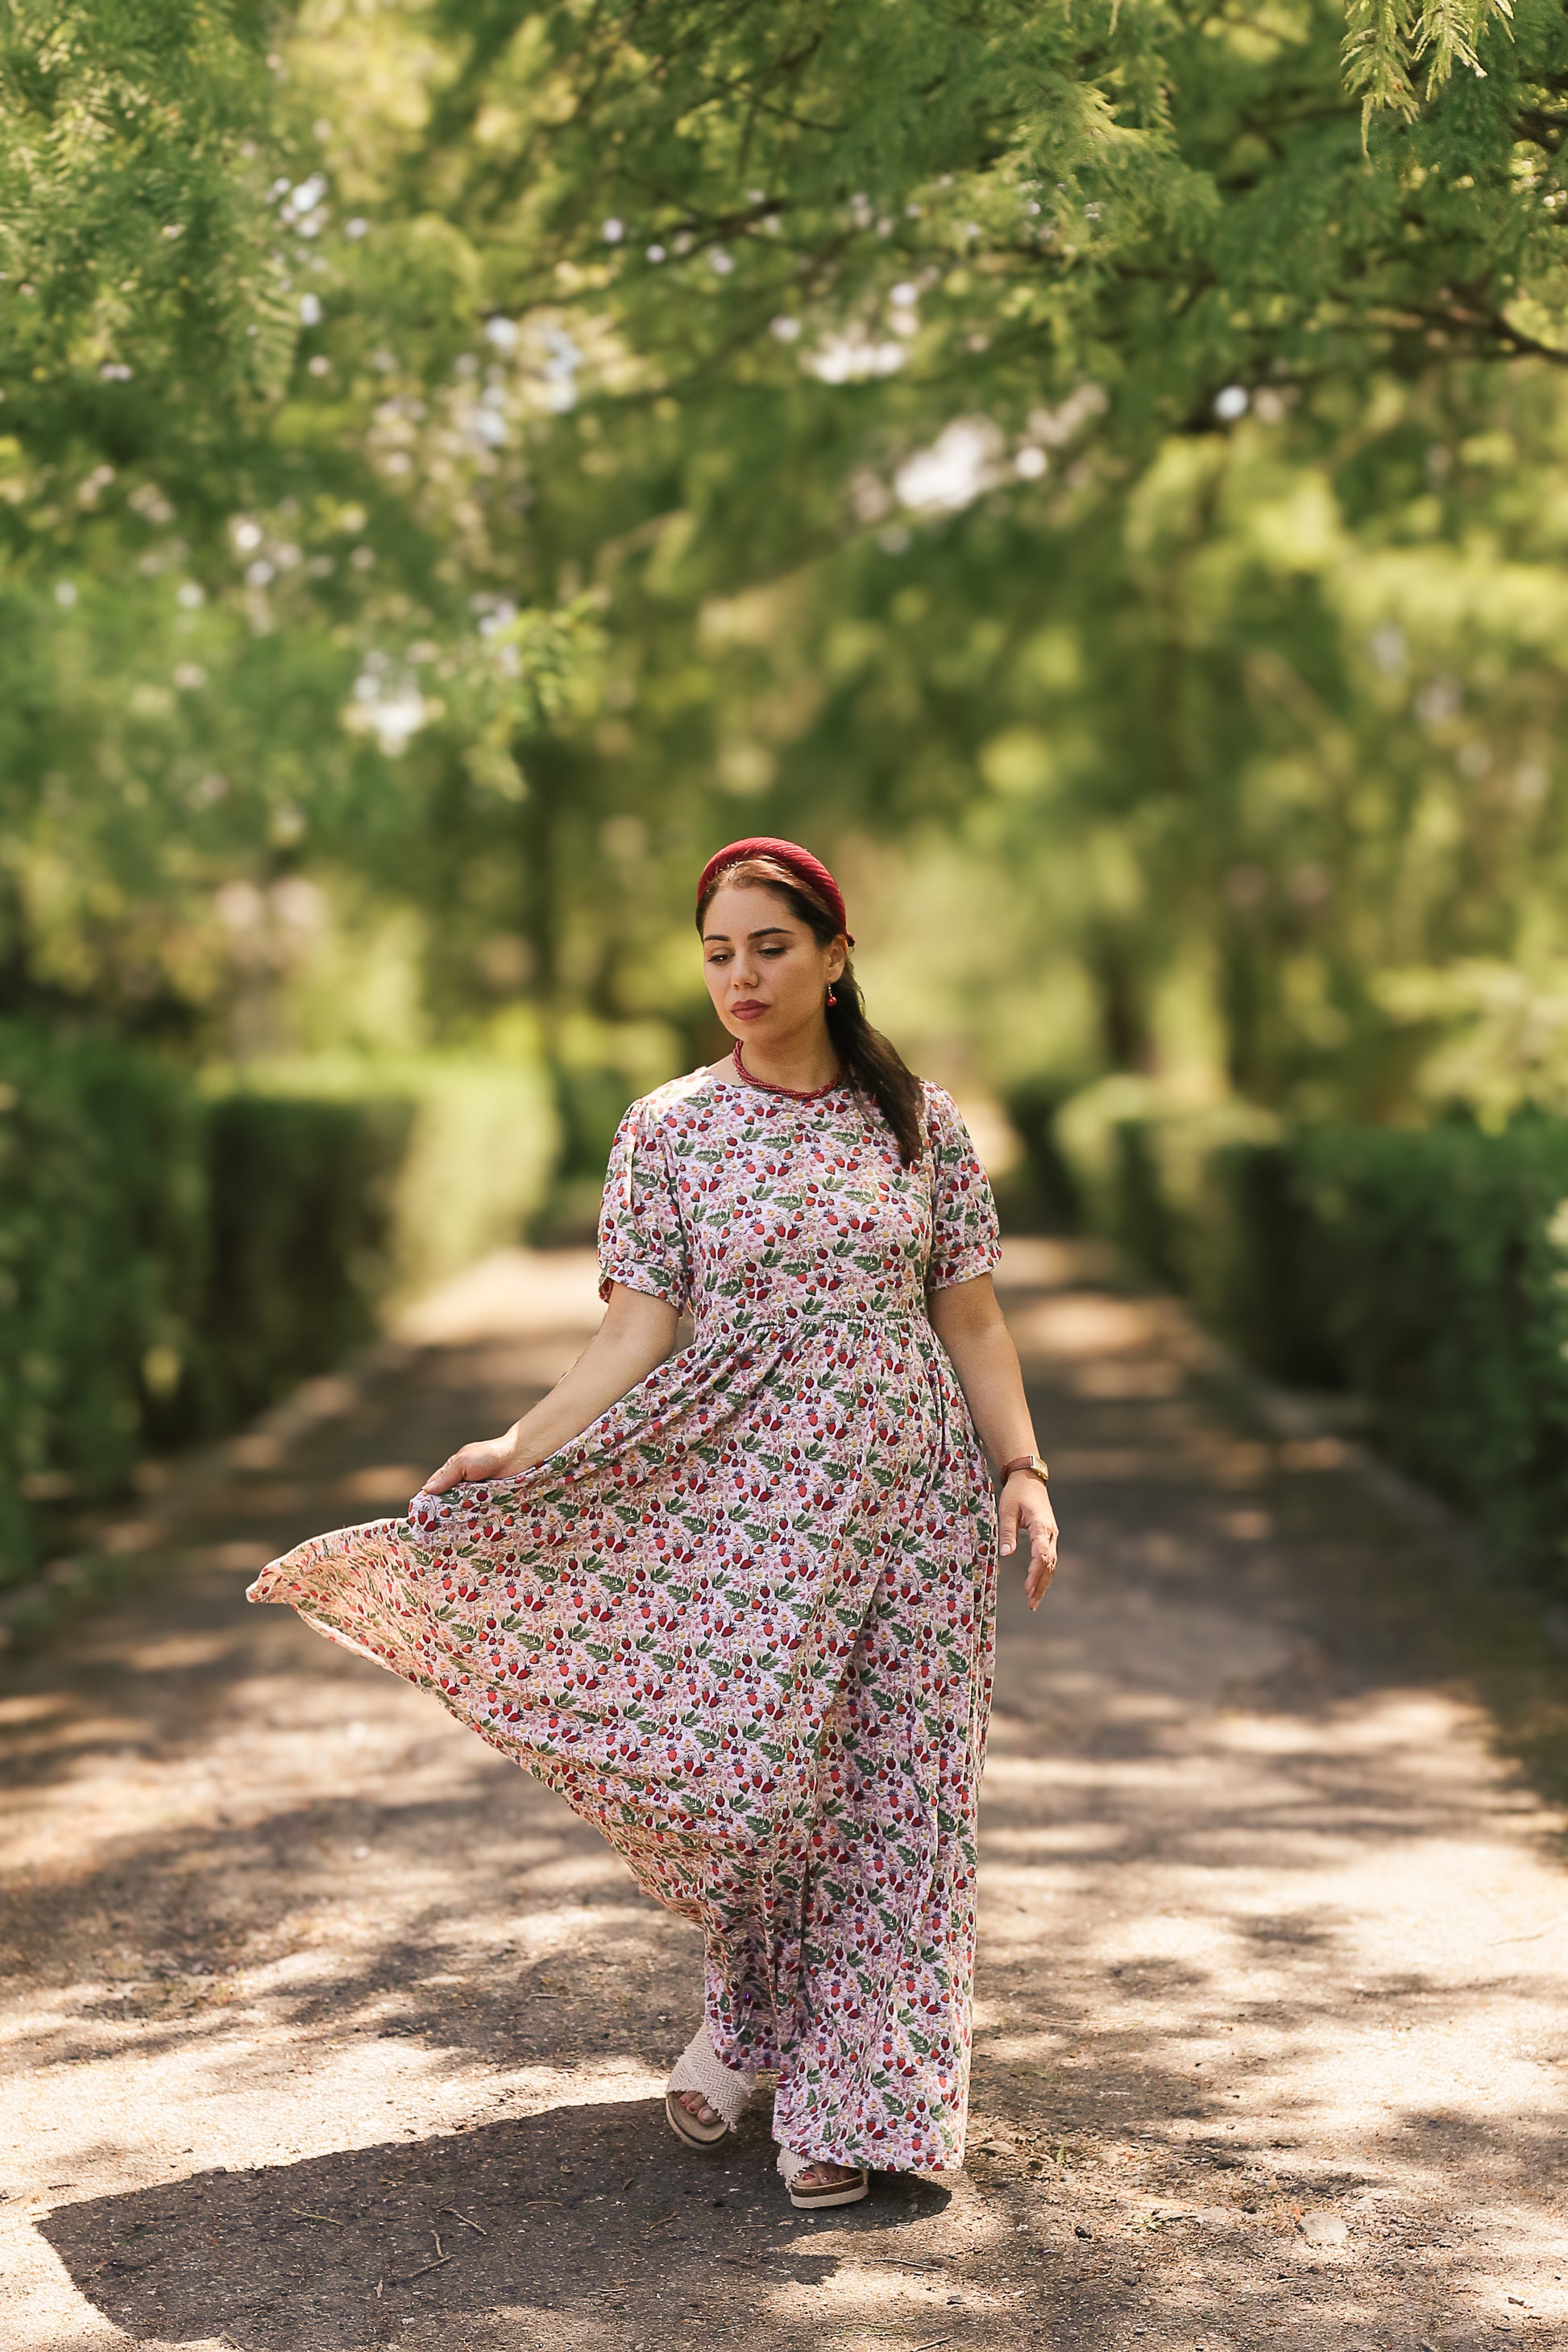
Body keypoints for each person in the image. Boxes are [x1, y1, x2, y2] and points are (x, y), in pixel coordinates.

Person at [248, 836, 1058, 2209]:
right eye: (717, 951)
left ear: (835, 957)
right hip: (740, 1497)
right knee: (754, 1780)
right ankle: (749, 2026)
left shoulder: (920, 1123)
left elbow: (967, 1311)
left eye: (771, 948)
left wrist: (1020, 1470)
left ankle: (851, 2104)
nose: (739, 977)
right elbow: (637, 1326)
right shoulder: (668, 1128)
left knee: (898, 1795)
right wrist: (519, 1444)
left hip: (912, 1498)